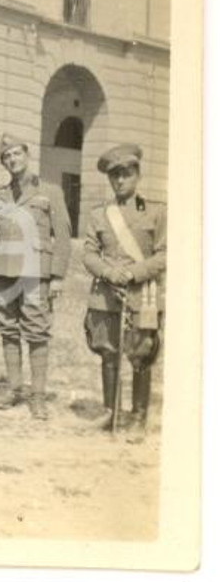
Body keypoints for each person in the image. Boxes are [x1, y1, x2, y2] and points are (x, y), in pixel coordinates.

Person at [0, 134, 72, 419]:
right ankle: (14, 389)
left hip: (35, 273)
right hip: (1, 271)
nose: (12, 160)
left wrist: (57, 276)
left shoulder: (50, 191)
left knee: (36, 331)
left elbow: (62, 236)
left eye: (16, 154)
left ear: (27, 154)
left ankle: (37, 396)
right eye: (7, 156)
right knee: (8, 330)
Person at [82, 144, 166, 437]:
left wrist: (131, 273)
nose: (119, 181)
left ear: (137, 175)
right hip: (106, 293)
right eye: (114, 176)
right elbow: (90, 252)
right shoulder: (99, 214)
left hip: (142, 293)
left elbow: (164, 254)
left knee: (141, 353)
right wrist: (108, 272)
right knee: (107, 351)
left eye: (126, 174)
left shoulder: (156, 212)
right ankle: (111, 411)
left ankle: (139, 417)